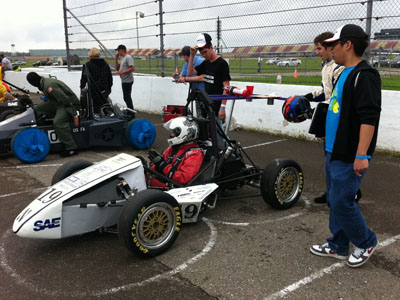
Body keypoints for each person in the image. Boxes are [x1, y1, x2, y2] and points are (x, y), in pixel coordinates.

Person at [310, 24, 381, 268]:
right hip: (333, 148)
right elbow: (336, 106)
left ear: (347, 45)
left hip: (350, 153)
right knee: (333, 198)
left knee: (341, 200)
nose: (331, 49)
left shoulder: (365, 75)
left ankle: (366, 240)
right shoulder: (343, 72)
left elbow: (369, 117)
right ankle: (338, 244)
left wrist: (362, 154)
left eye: (334, 45)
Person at [27, 72, 81, 157]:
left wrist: (74, 115)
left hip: (68, 104)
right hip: (57, 103)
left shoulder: (49, 85)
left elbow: (65, 100)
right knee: (38, 109)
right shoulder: (43, 83)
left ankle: (71, 148)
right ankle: (39, 131)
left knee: (58, 122)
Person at [148, 116, 204, 188]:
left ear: (185, 133)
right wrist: (155, 164)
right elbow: (161, 164)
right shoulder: (173, 148)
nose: (172, 135)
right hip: (163, 180)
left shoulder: (194, 154)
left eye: (174, 132)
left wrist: (163, 165)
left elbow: (183, 178)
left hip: (175, 188)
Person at [187, 33, 231, 122]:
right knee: (207, 133)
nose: (203, 55)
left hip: (217, 107)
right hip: (207, 105)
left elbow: (226, 87)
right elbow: (190, 72)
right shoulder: (206, 63)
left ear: (211, 47)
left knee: (218, 134)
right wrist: (192, 55)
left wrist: (222, 107)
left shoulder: (221, 64)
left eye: (205, 52)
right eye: (201, 53)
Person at [80, 47, 113, 113]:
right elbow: (110, 78)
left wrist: (82, 89)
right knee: (104, 107)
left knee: (94, 109)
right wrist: (109, 89)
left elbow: (83, 79)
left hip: (93, 91)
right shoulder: (105, 65)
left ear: (90, 55)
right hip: (104, 90)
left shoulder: (87, 65)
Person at [115, 45, 135, 110]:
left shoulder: (128, 57)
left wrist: (121, 72)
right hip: (124, 80)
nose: (118, 52)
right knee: (126, 97)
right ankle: (130, 110)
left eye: (118, 51)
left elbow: (132, 68)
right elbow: (117, 68)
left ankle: (131, 111)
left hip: (128, 80)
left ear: (121, 50)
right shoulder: (122, 58)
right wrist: (116, 59)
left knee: (127, 97)